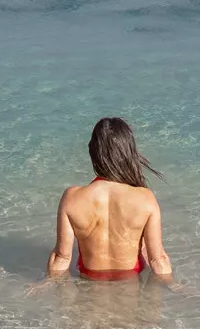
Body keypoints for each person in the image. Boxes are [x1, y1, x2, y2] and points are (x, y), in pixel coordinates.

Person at [51, 117, 173, 283]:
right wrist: (175, 287)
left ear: (92, 151)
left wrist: (45, 282)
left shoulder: (72, 197)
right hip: (130, 284)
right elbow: (157, 260)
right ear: (129, 153)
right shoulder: (145, 198)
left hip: (89, 284)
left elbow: (62, 258)